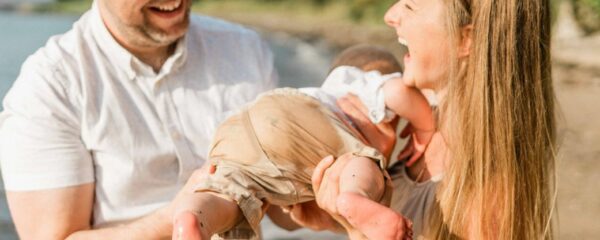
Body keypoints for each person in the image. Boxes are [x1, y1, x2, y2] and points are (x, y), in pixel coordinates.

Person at [0, 0, 277, 239]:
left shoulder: (245, 49)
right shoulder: (47, 88)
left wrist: (309, 200)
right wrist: (175, 218)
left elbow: (280, 203)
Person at [304, 0, 557, 239]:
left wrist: (358, 233)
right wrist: (333, 217)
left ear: (465, 39)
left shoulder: (489, 194)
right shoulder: (407, 124)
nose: (390, 15)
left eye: (411, 5)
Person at [172, 45, 434, 240]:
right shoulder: (363, 87)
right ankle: (354, 196)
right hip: (298, 119)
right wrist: (425, 127)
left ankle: (195, 219)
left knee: (229, 193)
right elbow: (398, 90)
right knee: (360, 163)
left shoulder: (326, 89)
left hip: (242, 126)